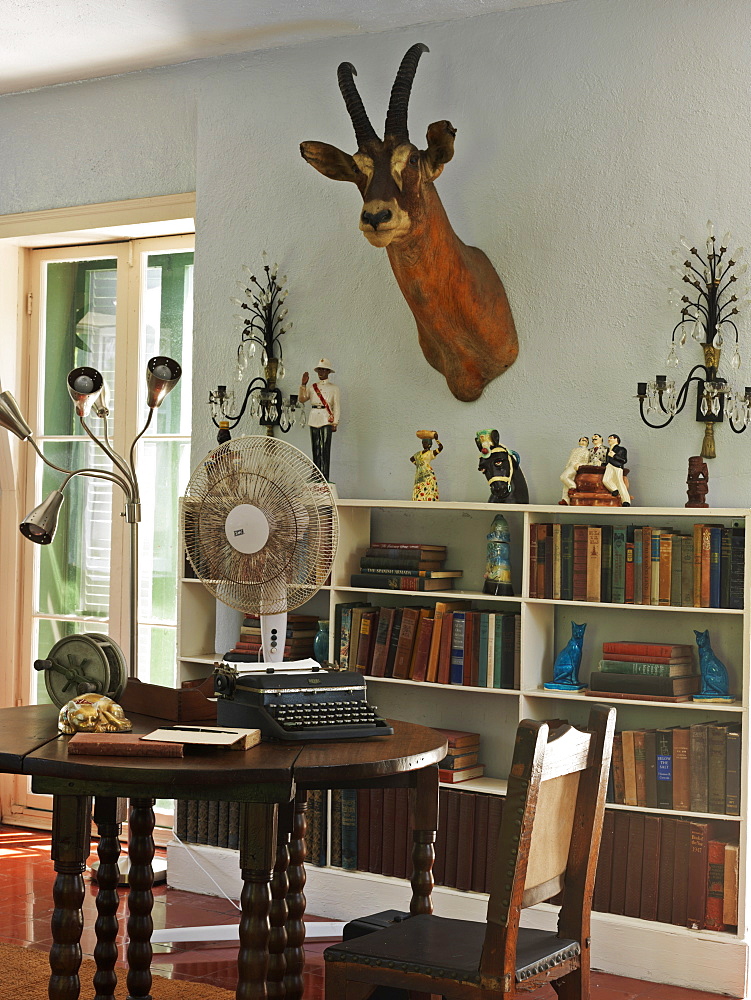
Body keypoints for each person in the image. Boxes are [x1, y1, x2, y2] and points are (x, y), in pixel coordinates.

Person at [298, 359, 340, 481]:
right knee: (315, 447)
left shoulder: (334, 388)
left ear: (328, 372)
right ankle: (315, 474)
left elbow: (336, 406)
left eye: (323, 369)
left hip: (326, 418)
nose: (321, 372)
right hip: (314, 417)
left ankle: (325, 476)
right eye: (319, 369)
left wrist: (335, 422)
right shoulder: (312, 387)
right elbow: (302, 399)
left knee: (325, 449)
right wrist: (303, 384)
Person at [410, 431, 442, 501]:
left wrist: (437, 439)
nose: (424, 444)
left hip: (428, 473)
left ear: (429, 445)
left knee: (428, 487)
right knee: (419, 487)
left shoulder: (430, 453)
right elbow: (411, 459)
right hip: (419, 473)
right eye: (423, 443)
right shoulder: (418, 453)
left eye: (425, 443)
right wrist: (418, 464)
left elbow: (440, 448)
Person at [559, 436, 590, 504]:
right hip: (570, 465)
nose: (583, 441)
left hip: (575, 465)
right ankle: (566, 500)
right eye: (581, 440)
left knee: (563, 477)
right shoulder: (574, 450)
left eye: (585, 441)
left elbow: (585, 462)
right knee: (566, 484)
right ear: (579, 442)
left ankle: (573, 486)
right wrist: (567, 465)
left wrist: (579, 464)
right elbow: (570, 459)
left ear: (587, 443)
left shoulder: (586, 451)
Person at [602, 433, 630, 505]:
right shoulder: (608, 450)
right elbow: (607, 460)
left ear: (616, 440)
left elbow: (624, 460)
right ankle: (614, 489)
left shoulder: (621, 449)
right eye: (609, 438)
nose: (609, 439)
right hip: (609, 466)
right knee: (605, 480)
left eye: (611, 438)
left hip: (617, 466)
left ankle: (626, 501)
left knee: (620, 482)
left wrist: (614, 455)